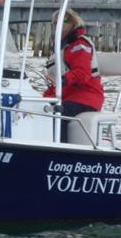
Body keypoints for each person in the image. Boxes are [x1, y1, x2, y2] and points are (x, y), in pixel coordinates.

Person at [43, 9, 105, 143]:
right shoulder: (65, 48)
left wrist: (62, 80)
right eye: (53, 24)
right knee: (37, 108)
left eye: (58, 23)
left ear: (71, 24)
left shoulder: (80, 46)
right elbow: (57, 84)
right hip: (68, 96)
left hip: (86, 98)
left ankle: (60, 151)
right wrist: (43, 98)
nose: (55, 27)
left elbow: (82, 73)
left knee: (58, 112)